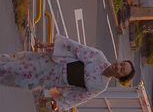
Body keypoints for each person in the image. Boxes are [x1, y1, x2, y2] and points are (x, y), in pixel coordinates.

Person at [0, 37, 134, 104]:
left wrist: (49, 97)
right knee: (18, 67)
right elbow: (75, 48)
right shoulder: (99, 57)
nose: (119, 67)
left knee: (20, 81)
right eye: (122, 64)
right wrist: (47, 45)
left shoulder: (100, 86)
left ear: (119, 78)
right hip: (52, 64)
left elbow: (76, 96)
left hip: (53, 81)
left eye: (122, 70)